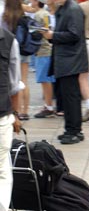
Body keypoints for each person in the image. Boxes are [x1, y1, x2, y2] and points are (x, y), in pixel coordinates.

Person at [41, 0, 88, 145]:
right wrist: (52, 34)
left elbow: (74, 34)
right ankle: (70, 129)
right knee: (66, 98)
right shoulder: (64, 9)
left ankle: (75, 131)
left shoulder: (73, 9)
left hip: (71, 60)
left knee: (71, 97)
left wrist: (54, 35)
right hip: (66, 60)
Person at [0, 24, 22, 211]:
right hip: (1, 115)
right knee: (1, 169)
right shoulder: (8, 39)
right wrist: (15, 114)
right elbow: (14, 84)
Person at [0, 0, 30, 121]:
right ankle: (24, 110)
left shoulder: (4, 17)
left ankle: (14, 109)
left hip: (8, 49)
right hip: (23, 51)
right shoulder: (23, 15)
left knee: (11, 81)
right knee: (23, 80)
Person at [27, 0, 56, 118]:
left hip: (42, 50)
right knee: (46, 80)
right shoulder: (44, 14)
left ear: (38, 1)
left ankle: (49, 106)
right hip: (45, 49)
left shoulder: (39, 15)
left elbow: (38, 33)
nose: (31, 2)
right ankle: (47, 104)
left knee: (45, 80)